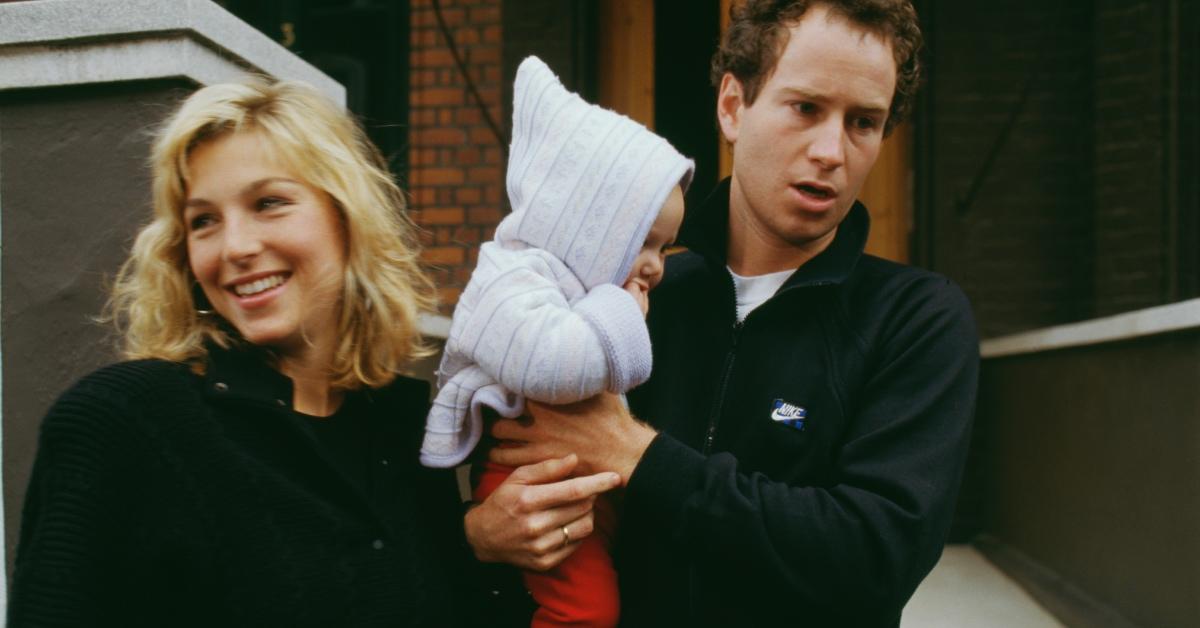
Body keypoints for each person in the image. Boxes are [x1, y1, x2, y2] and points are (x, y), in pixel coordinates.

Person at [465, 1, 980, 626]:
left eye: (863, 123)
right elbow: (511, 471)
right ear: (733, 107)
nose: (831, 151)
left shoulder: (915, 320)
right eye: (807, 108)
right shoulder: (628, 304)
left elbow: (874, 558)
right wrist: (483, 536)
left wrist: (639, 457)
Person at [9, 78, 483, 627]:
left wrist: (488, 544)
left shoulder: (402, 432)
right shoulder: (123, 423)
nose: (235, 247)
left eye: (269, 203)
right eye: (203, 221)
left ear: (346, 218)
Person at [421, 56, 693, 627]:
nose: (656, 266)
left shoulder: (573, 284)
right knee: (586, 611)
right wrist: (619, 308)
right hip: (529, 479)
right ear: (587, 227)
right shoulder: (512, 276)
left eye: (664, 249)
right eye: (644, 242)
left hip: (572, 472)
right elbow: (552, 364)